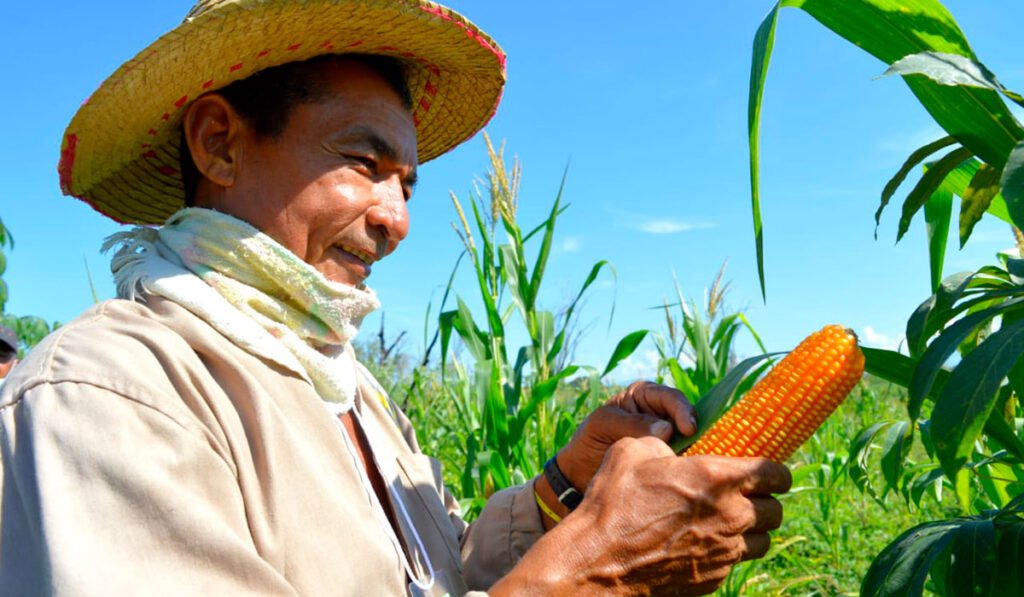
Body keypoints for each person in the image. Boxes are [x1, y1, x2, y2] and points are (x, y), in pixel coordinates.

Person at [0, 1, 790, 595]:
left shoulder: (354, 390)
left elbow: (428, 575)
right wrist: (597, 569)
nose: (397, 219)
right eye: (363, 162)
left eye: (405, 183)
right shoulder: (109, 394)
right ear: (220, 142)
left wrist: (563, 493)